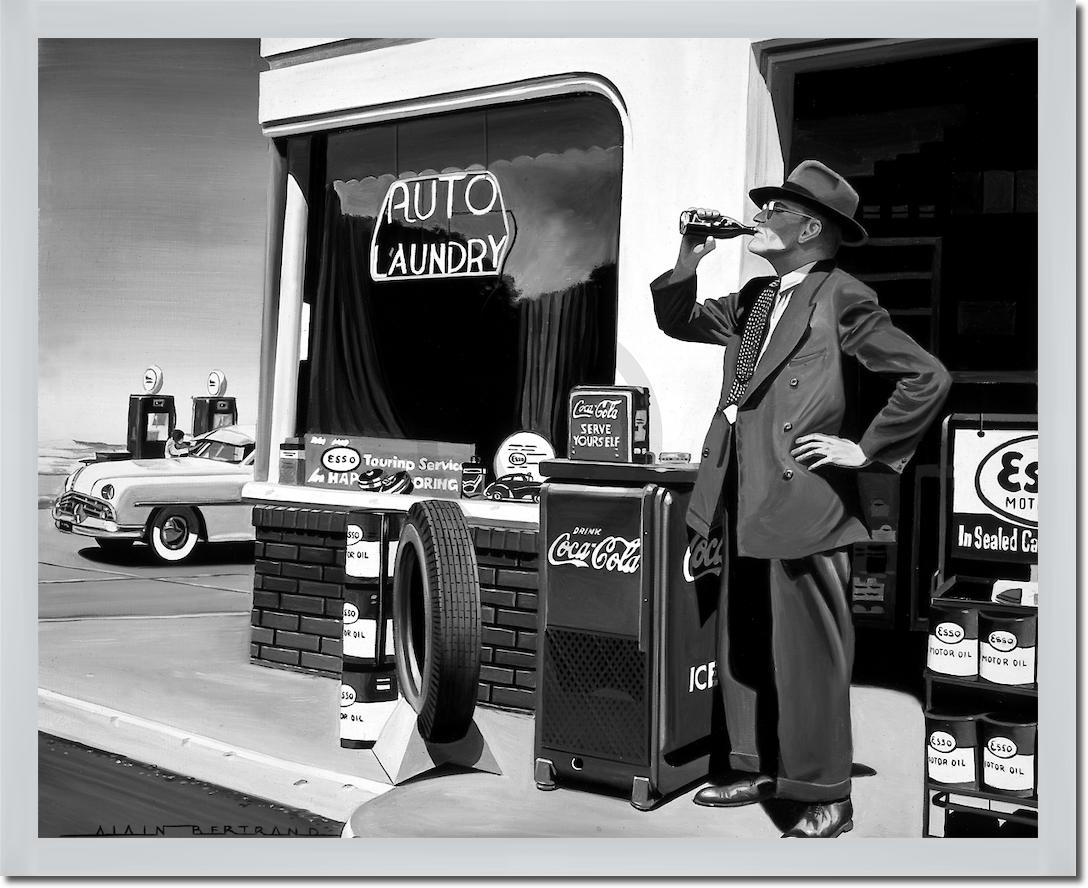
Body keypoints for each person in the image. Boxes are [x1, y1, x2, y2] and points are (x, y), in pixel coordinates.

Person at [650, 160, 951, 838]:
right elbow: (676, 319)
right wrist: (689, 254)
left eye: (773, 209)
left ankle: (825, 793)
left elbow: (925, 376)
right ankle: (755, 766)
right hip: (736, 493)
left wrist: (868, 451)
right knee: (744, 642)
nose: (756, 216)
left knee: (809, 653)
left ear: (810, 226)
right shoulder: (756, 295)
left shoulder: (842, 295)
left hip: (803, 502)